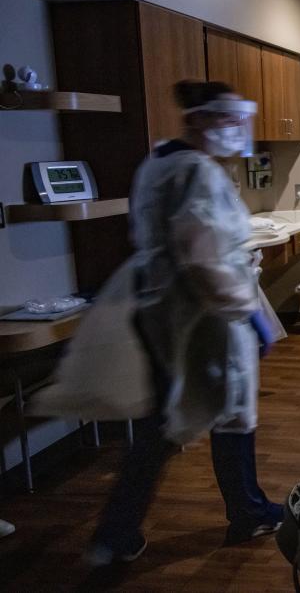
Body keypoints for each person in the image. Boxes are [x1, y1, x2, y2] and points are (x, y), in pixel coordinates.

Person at [87, 80, 282, 566]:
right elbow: (203, 262)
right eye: (227, 118)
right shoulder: (196, 172)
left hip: (161, 311)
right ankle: (249, 510)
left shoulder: (158, 162)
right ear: (198, 118)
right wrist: (248, 313)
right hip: (204, 316)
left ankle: (115, 534)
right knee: (232, 412)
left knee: (158, 426)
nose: (236, 128)